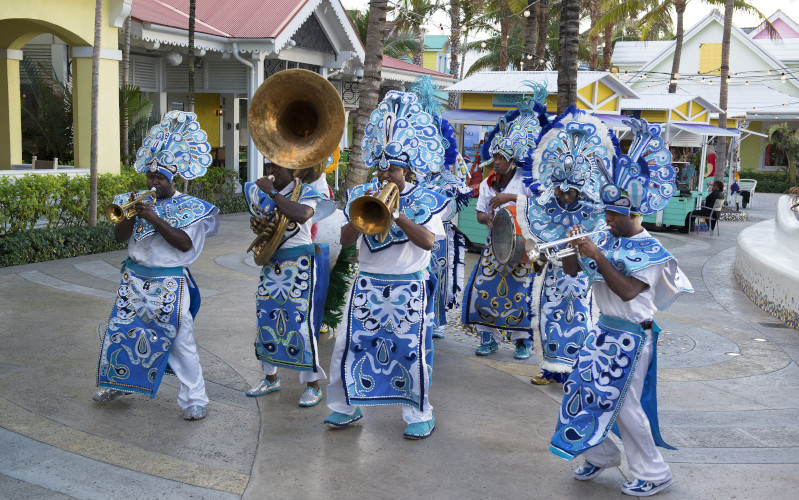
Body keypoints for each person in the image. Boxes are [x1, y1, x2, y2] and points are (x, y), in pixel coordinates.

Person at [549, 118, 694, 497]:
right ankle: (601, 453)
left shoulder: (650, 251)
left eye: (613, 216)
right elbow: (574, 271)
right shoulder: (608, 241)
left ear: (633, 215)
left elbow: (629, 290)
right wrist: (572, 247)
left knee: (625, 407)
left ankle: (654, 471)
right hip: (604, 331)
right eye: (606, 214)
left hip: (632, 335)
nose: (607, 221)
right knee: (578, 389)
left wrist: (597, 253)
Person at [324, 91, 450, 440]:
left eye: (392, 168)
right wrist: (361, 219)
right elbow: (347, 240)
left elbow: (428, 242)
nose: (384, 173)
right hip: (366, 285)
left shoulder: (428, 199)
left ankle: (419, 414)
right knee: (347, 347)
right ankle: (344, 407)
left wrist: (397, 216)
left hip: (408, 286)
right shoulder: (361, 195)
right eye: (380, 166)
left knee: (411, 353)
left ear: (407, 169)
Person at [93, 111, 219, 421]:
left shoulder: (191, 207)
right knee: (121, 332)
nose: (153, 182)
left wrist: (153, 217)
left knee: (180, 341)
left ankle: (194, 399)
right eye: (151, 177)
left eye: (159, 178)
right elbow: (118, 235)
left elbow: (185, 244)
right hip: (134, 279)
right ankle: (119, 383)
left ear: (171, 178)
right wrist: (133, 215)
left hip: (170, 284)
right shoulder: (134, 200)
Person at [520, 108, 612, 385]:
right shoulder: (546, 205)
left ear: (581, 189)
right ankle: (549, 369)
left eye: (569, 190)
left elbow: (602, 242)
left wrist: (580, 244)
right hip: (551, 276)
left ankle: (577, 372)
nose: (563, 194)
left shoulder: (596, 211)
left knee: (582, 323)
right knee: (548, 320)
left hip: (581, 278)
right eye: (560, 189)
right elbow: (534, 229)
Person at [242, 161, 335, 406]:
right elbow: (261, 221)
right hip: (272, 265)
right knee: (264, 320)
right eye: (268, 165)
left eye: (277, 168)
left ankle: (313, 386)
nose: (270, 170)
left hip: (300, 264)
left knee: (300, 324)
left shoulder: (305, 191)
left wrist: (271, 193)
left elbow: (303, 214)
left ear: (294, 171)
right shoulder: (258, 192)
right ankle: (270, 378)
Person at [461, 91, 546, 360]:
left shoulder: (526, 179)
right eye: (494, 156)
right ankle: (489, 338)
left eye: (500, 157)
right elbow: (479, 216)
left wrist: (512, 198)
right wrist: (493, 220)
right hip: (493, 248)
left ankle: (523, 342)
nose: (495, 161)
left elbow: (540, 207)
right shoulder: (488, 183)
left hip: (524, 247)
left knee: (523, 293)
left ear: (512, 159)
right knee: (485, 290)